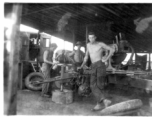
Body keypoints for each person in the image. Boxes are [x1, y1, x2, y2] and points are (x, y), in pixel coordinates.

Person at [78, 32, 114, 111]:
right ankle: (104, 101)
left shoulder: (100, 44)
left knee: (99, 85)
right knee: (92, 85)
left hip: (100, 65)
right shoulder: (88, 45)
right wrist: (82, 65)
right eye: (89, 38)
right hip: (93, 65)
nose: (91, 39)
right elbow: (86, 56)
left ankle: (99, 104)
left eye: (92, 37)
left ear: (95, 37)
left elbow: (111, 49)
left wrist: (106, 58)